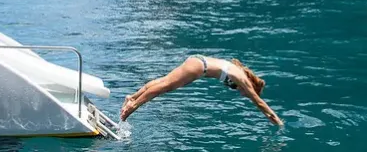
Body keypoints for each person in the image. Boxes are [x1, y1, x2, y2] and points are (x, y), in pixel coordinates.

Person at [120, 55, 284, 126]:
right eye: (248, 91)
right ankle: (132, 106)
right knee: (165, 86)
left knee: (164, 81)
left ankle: (132, 97)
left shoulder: (238, 72)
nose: (243, 94)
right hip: (199, 68)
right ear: (252, 86)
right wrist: (275, 118)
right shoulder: (242, 79)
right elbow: (259, 102)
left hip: (197, 61)